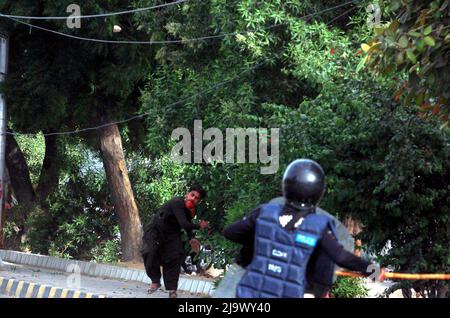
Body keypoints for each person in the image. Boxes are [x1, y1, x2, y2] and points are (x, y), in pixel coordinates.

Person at [224, 159, 385, 298]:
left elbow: (230, 233)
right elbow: (341, 257)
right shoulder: (317, 226)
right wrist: (372, 270)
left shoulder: (264, 213)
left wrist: (264, 241)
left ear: (286, 186)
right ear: (318, 192)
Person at [141, 185, 210, 298]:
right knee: (150, 252)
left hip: (172, 234)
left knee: (175, 257)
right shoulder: (177, 202)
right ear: (187, 194)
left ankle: (172, 289)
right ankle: (155, 281)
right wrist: (200, 226)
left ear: (199, 201)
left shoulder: (191, 210)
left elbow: (187, 223)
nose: (193, 199)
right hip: (155, 231)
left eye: (197, 198)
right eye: (192, 195)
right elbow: (184, 224)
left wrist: (191, 238)